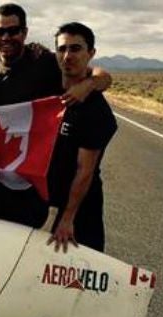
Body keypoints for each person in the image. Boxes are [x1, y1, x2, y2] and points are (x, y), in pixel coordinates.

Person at [0, 3, 112, 229]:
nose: (6, 37)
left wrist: (89, 84)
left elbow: (102, 75)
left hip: (31, 181)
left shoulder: (44, 61)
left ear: (24, 33)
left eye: (13, 31)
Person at [47, 22, 117, 252]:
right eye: (62, 48)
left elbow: (84, 171)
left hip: (79, 208)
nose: (68, 55)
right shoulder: (47, 86)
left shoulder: (96, 111)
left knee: (77, 276)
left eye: (76, 49)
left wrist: (68, 218)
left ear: (91, 53)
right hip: (44, 200)